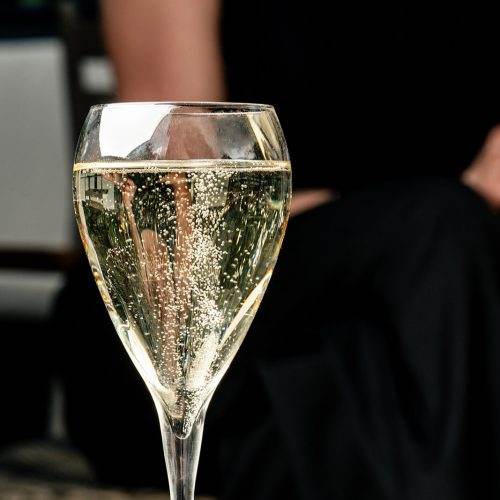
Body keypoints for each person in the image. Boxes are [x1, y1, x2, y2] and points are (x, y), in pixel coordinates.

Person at [53, 1, 500, 498]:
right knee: (441, 229)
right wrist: (452, 197)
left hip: (422, 323)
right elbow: (171, 195)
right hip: (193, 319)